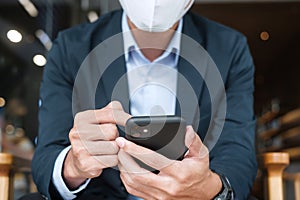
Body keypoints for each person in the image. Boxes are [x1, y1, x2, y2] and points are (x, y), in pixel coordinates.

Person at [31, 0, 257, 199]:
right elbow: (47, 154)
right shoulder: (70, 48)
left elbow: (237, 151)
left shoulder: (229, 49)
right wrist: (74, 165)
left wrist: (208, 188)